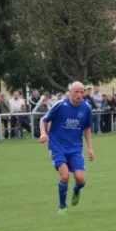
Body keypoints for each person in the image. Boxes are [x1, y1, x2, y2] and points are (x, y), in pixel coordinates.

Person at [39, 82, 94, 214]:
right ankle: (62, 206)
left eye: (82, 92)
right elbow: (43, 119)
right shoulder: (60, 105)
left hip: (75, 148)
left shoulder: (86, 108)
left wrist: (90, 147)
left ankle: (76, 189)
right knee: (64, 176)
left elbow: (87, 128)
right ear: (70, 92)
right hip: (58, 146)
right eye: (76, 92)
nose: (79, 95)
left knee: (80, 179)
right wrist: (43, 133)